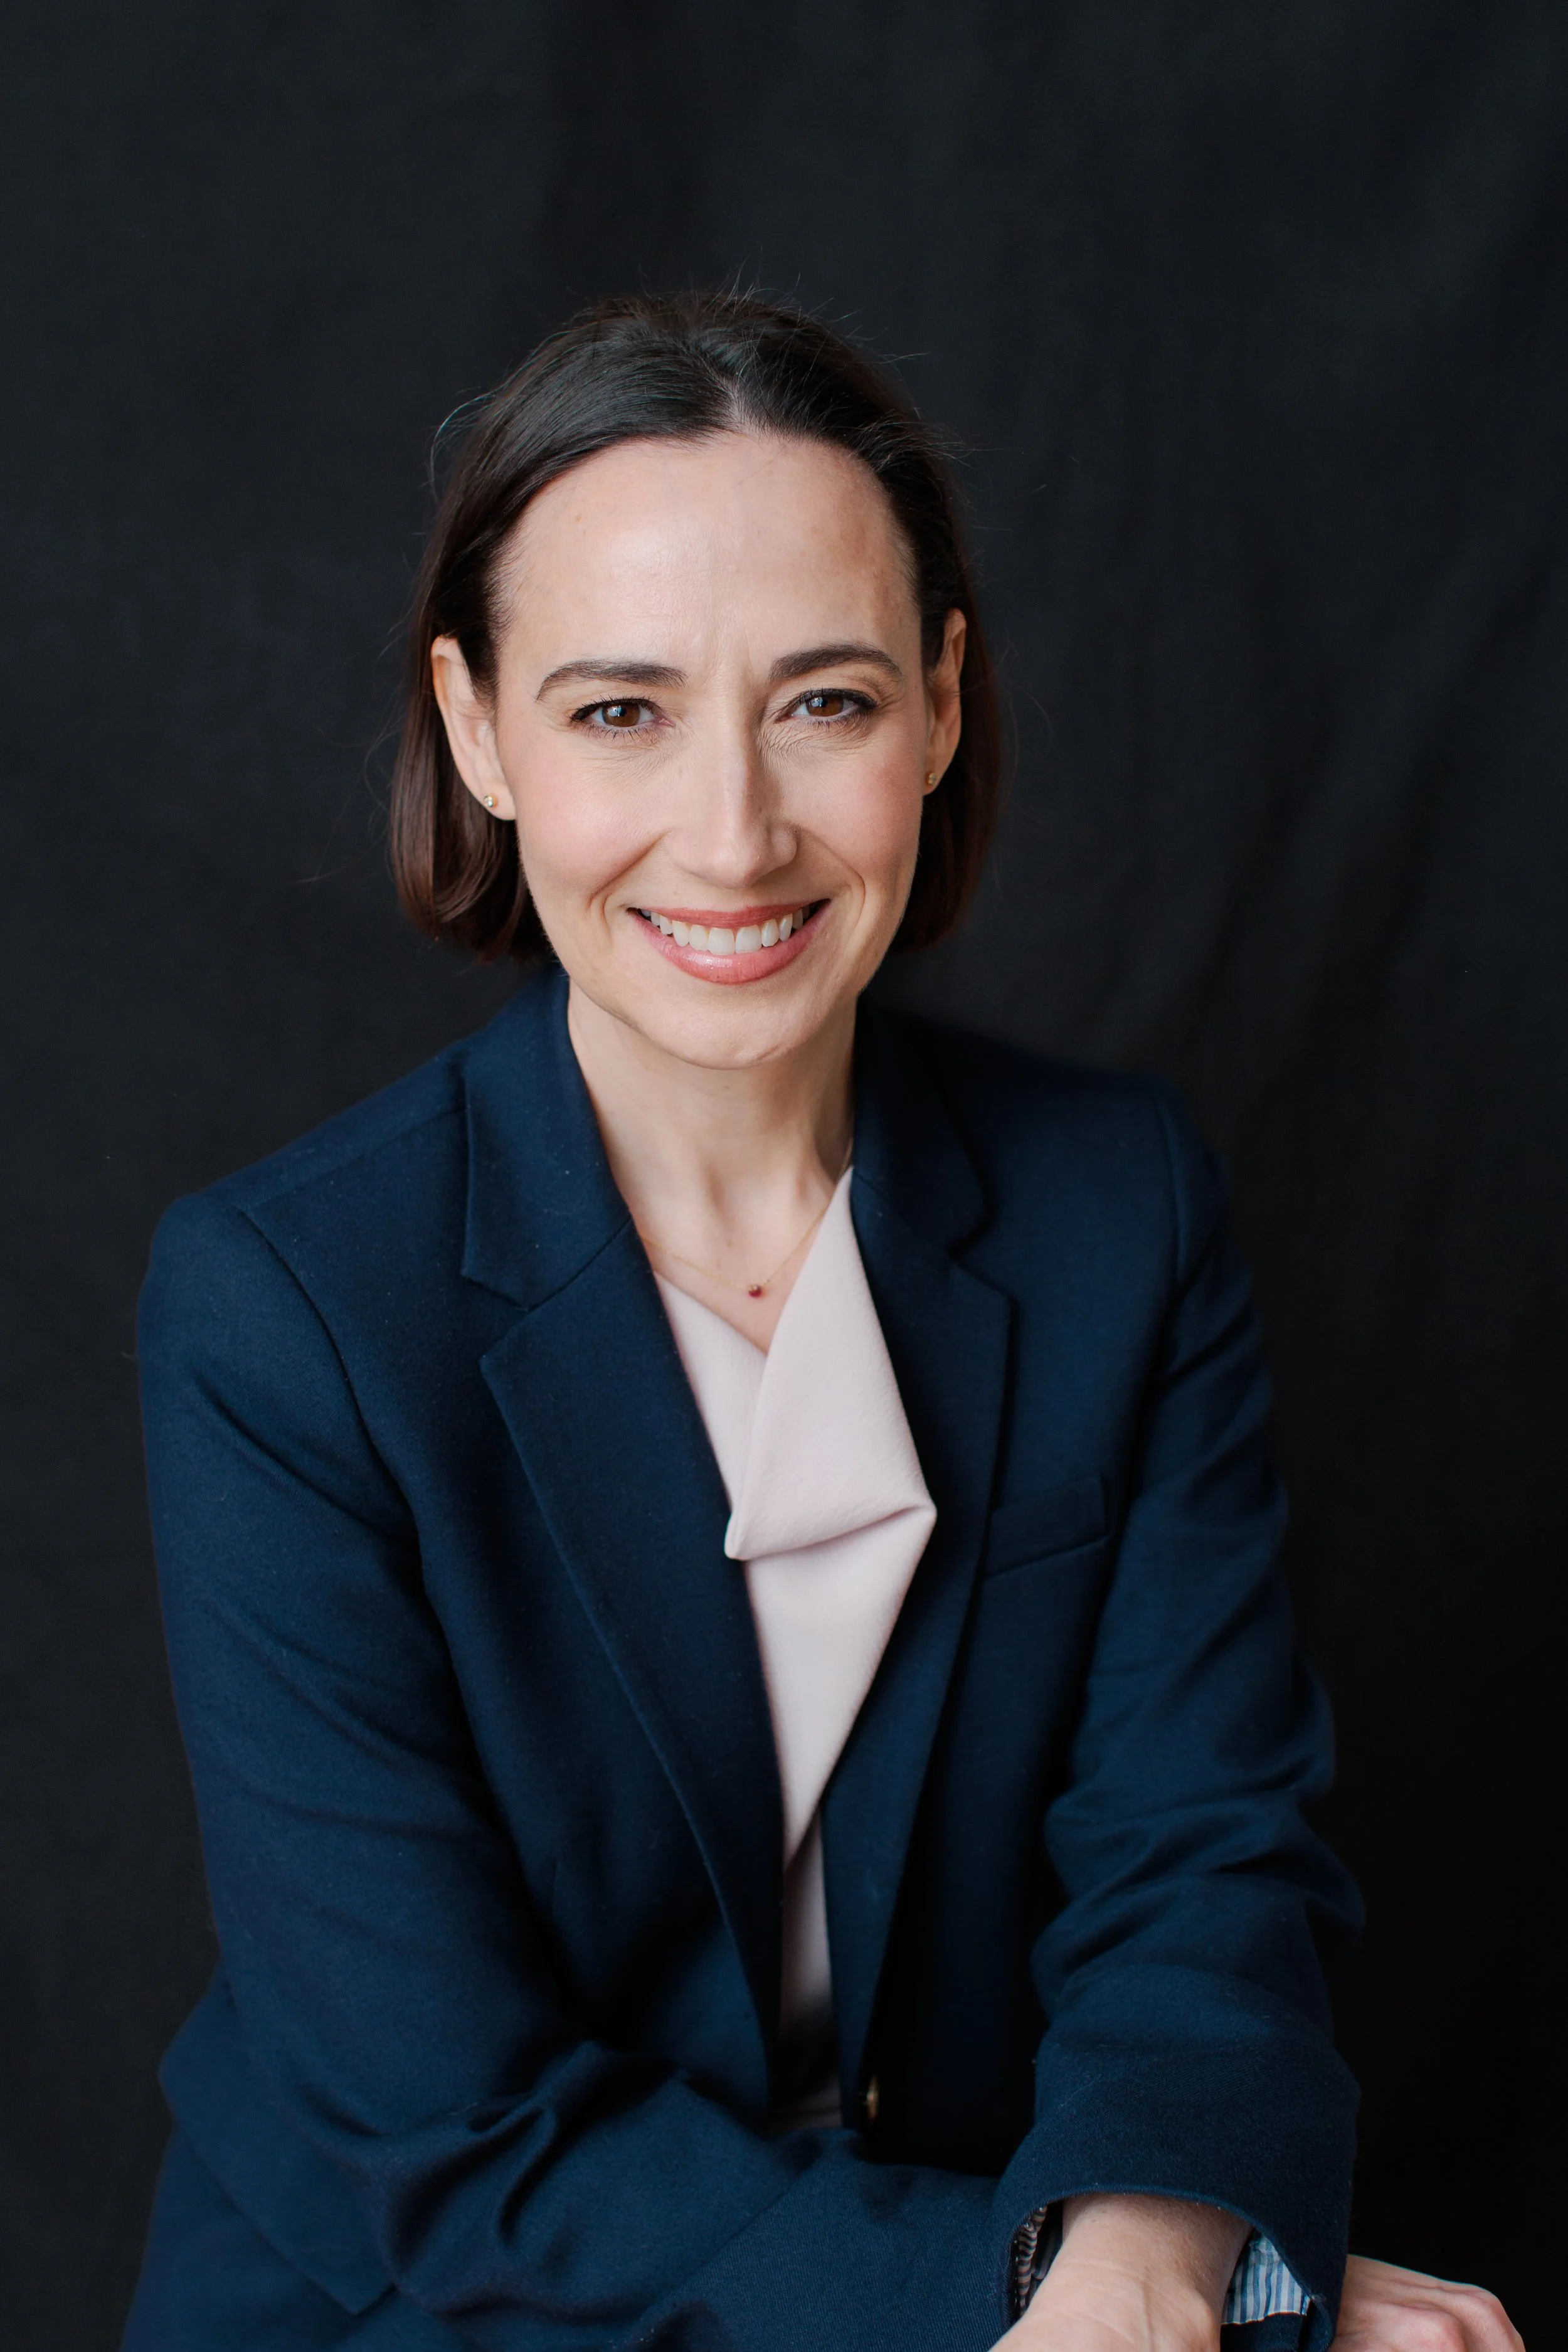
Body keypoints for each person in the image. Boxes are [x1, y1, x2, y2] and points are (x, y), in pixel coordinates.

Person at [124, 292, 1523, 2352]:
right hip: (444, 2305)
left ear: (942, 705)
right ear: (477, 726)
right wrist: (1058, 2296)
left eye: (827, 702)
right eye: (618, 711)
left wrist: (1152, 2251)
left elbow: (1196, 1849)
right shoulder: (282, 1310)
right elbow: (451, 2124)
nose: (734, 832)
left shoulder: (1112, 1204)